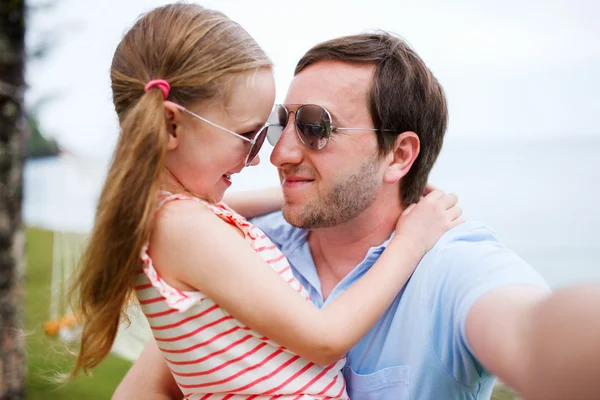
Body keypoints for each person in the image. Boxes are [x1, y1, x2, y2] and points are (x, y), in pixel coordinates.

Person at [114, 30, 600, 400]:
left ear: (399, 156)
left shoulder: (453, 264)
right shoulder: (245, 246)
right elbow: (148, 388)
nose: (279, 153)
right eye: (282, 123)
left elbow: (532, 331)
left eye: (313, 127)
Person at [69, 4, 463, 400]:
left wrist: (315, 187)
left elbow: (230, 212)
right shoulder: (186, 229)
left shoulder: (169, 218)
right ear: (173, 125)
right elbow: (325, 338)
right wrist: (411, 240)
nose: (260, 156)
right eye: (248, 135)